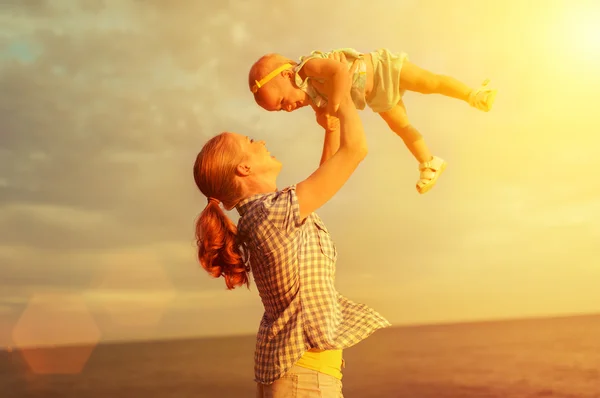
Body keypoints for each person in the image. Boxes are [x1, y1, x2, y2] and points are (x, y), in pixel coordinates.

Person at [193, 62, 390, 397]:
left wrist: (329, 126)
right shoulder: (271, 214)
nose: (262, 141)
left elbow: (325, 176)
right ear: (244, 168)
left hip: (301, 377)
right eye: (251, 141)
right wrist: (341, 92)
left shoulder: (267, 213)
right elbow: (356, 151)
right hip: (304, 381)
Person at [248, 47, 498, 194]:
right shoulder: (315, 101)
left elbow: (339, 72)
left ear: (286, 75)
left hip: (382, 69)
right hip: (377, 96)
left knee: (430, 83)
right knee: (400, 126)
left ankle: (472, 95)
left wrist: (334, 103)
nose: (289, 108)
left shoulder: (308, 67)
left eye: (282, 101)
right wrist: (326, 124)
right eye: (282, 110)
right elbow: (331, 135)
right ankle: (428, 161)